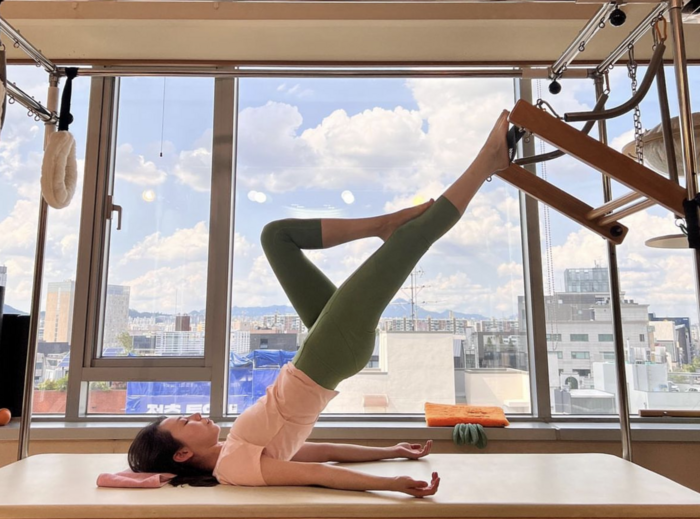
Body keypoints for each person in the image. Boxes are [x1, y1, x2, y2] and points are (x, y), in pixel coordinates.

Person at [128, 110, 515, 498]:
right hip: (329, 353)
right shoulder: (234, 468)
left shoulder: (234, 451)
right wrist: (391, 485)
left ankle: (381, 224)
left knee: (275, 237)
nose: (196, 414)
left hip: (323, 349)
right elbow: (317, 474)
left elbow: (323, 452)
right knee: (410, 240)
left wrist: (391, 451)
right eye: (185, 422)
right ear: (182, 454)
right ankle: (487, 162)